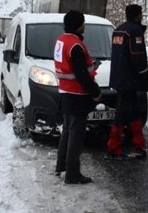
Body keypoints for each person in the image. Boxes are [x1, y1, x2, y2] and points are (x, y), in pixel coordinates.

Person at [54, 10, 102, 185]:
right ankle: (72, 174)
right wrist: (95, 91)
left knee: (67, 131)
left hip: (65, 92)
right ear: (78, 25)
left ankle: (61, 166)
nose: (84, 25)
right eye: (83, 22)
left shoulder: (61, 40)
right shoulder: (75, 45)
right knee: (76, 135)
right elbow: (81, 75)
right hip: (77, 94)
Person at [107, 4, 148, 160]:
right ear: (137, 15)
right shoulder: (134, 31)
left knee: (134, 112)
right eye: (141, 14)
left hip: (119, 78)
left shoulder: (118, 29)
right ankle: (113, 146)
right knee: (122, 113)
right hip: (130, 80)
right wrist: (147, 76)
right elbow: (137, 56)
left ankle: (139, 144)